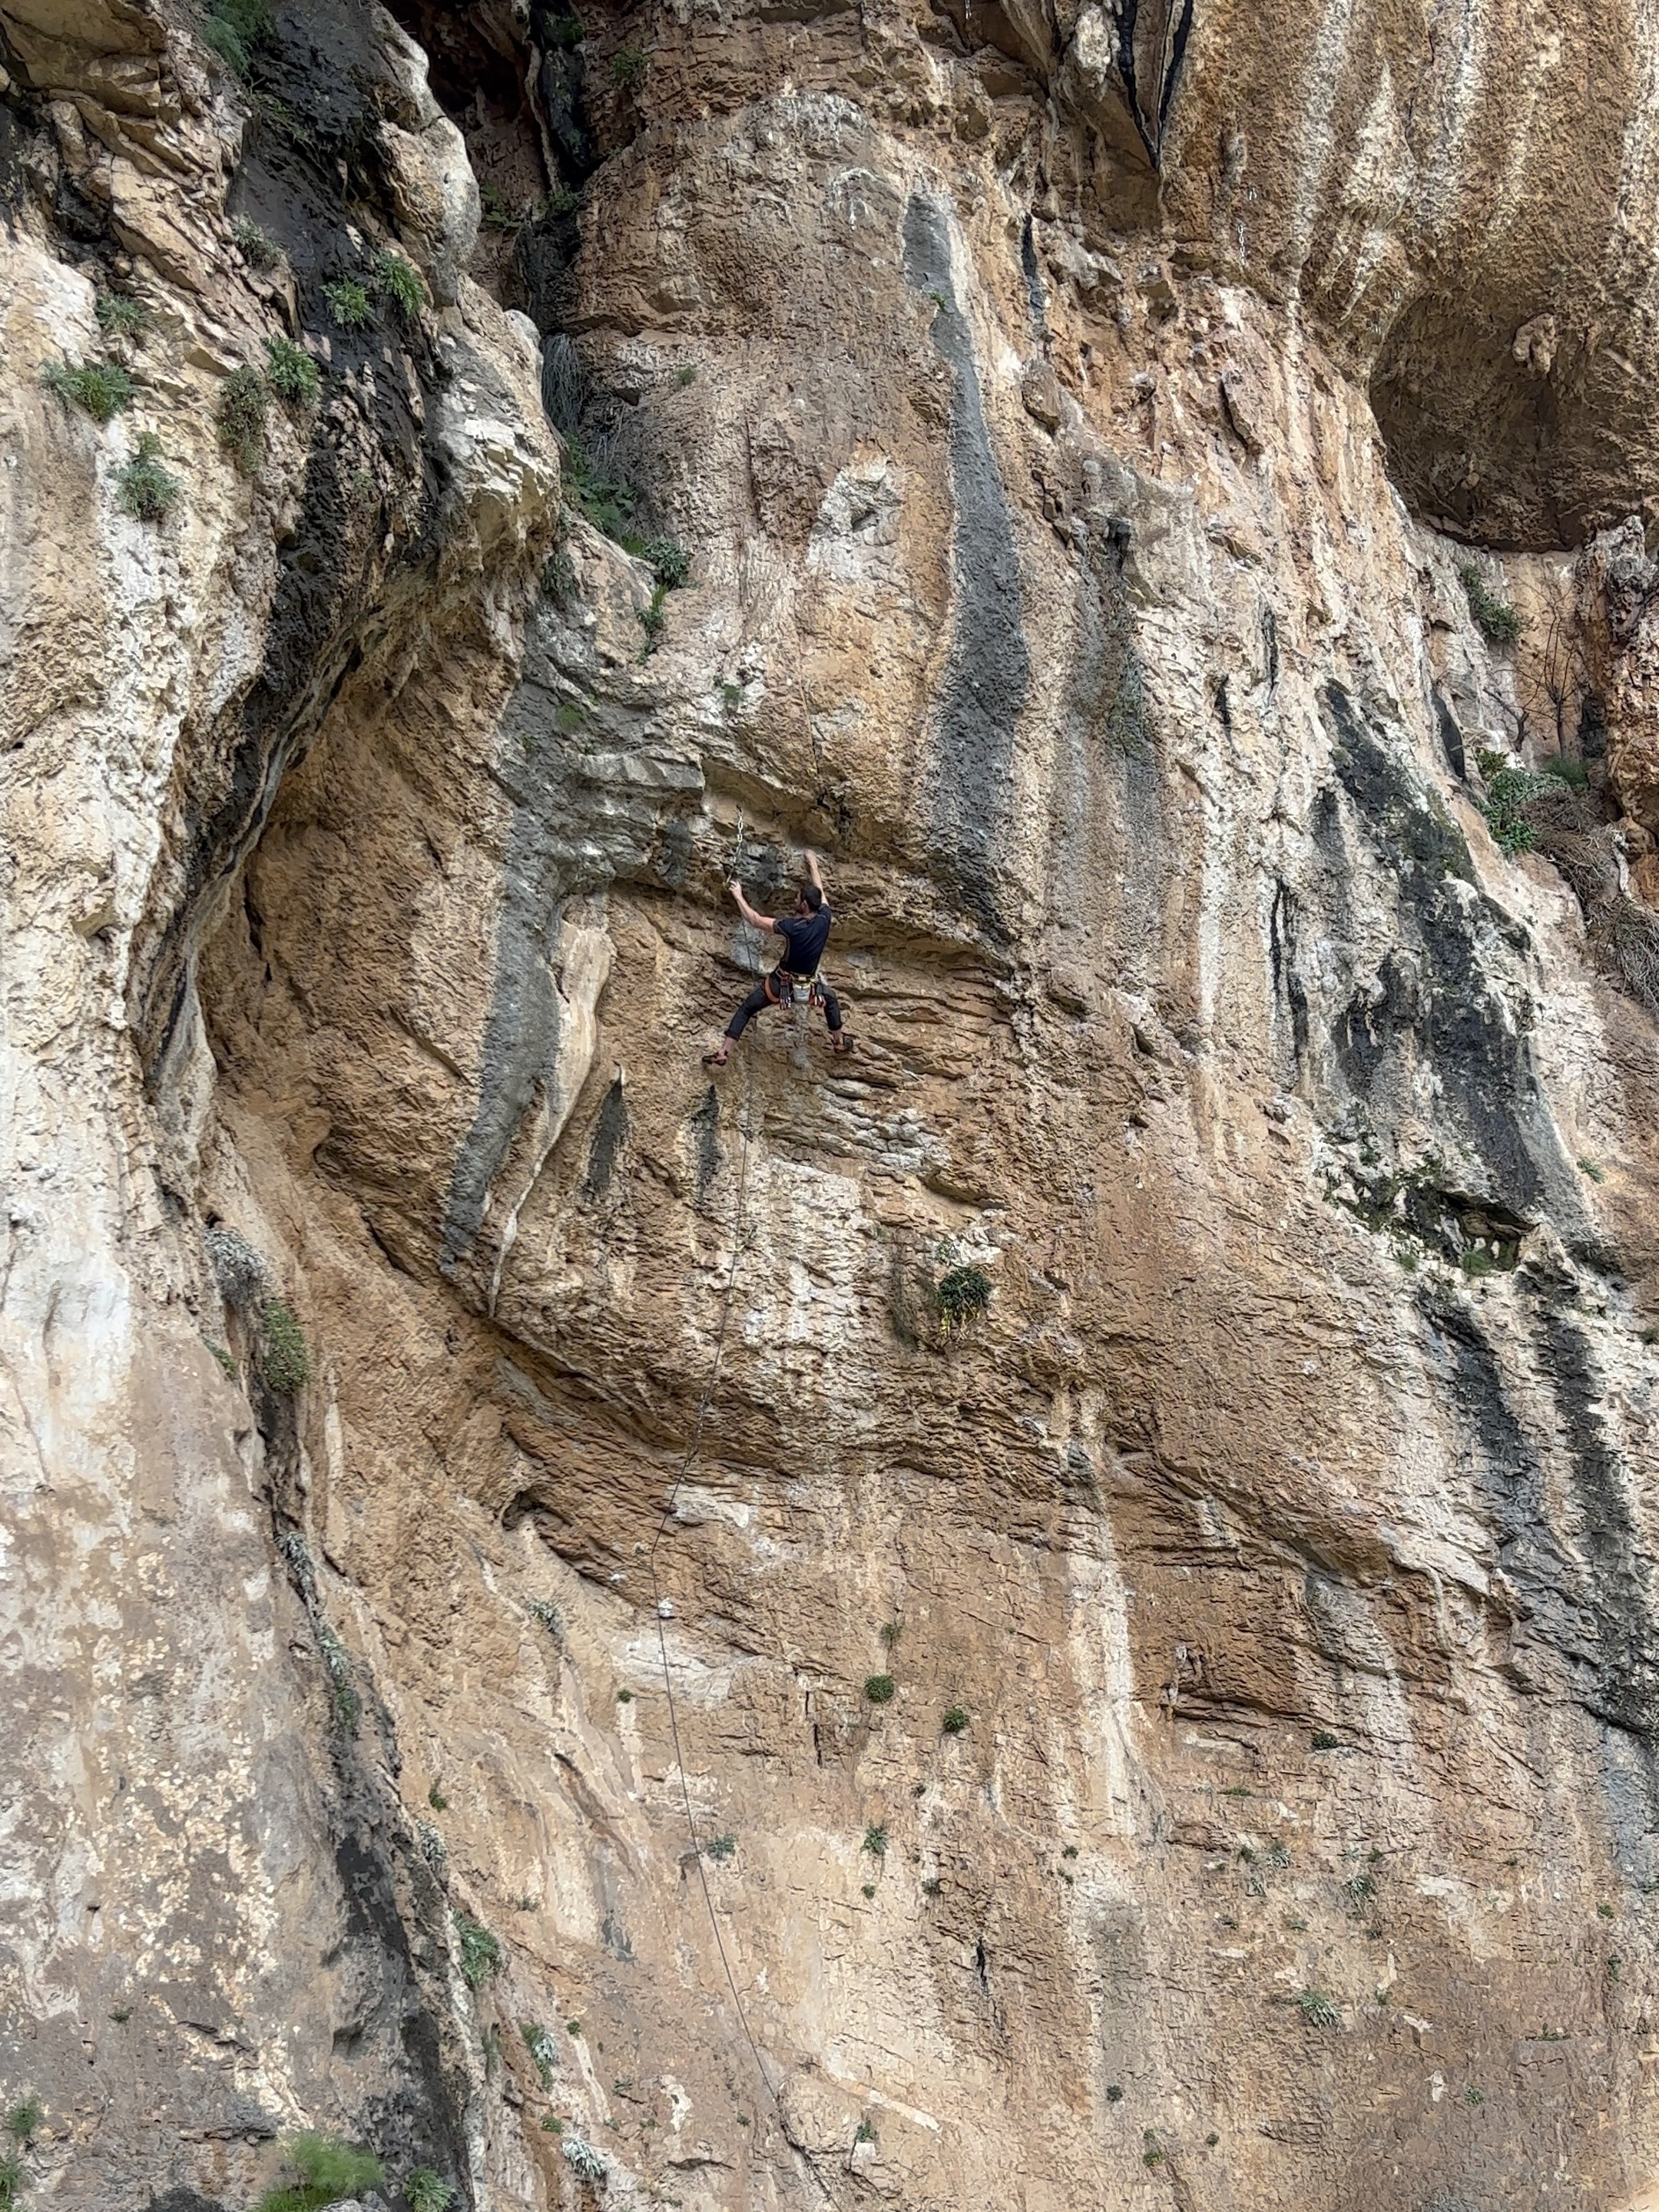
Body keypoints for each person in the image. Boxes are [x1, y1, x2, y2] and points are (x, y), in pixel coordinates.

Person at [704, 849, 855, 1066]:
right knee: (830, 999)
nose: (795, 899)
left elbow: (755, 920)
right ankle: (839, 1041)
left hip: (780, 987)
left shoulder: (792, 927)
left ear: (803, 905)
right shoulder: (825, 918)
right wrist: (812, 863)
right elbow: (820, 891)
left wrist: (738, 895)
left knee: (747, 1008)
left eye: (798, 898)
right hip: (808, 989)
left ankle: (724, 1051)